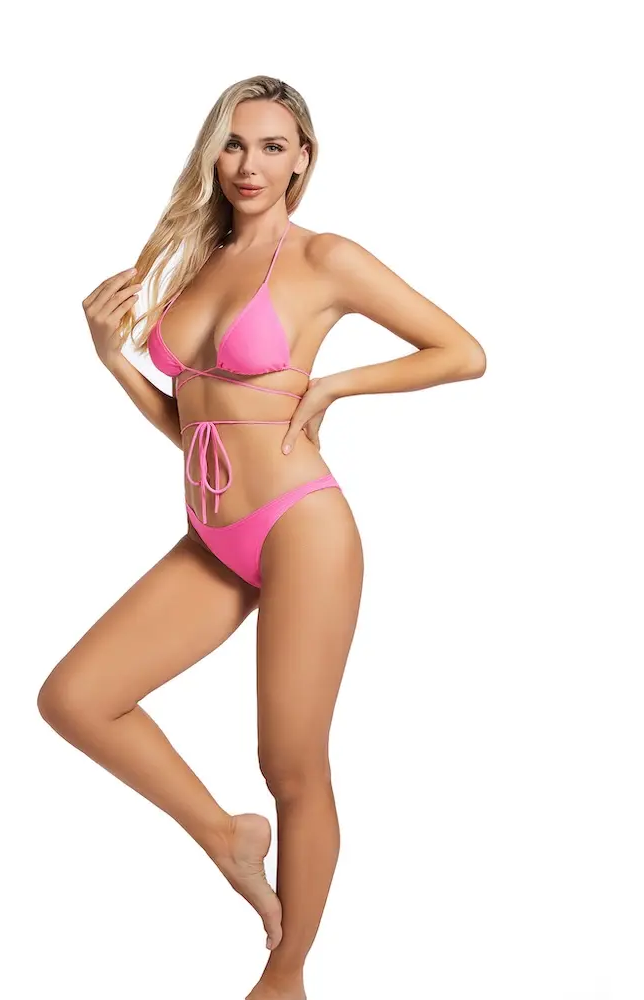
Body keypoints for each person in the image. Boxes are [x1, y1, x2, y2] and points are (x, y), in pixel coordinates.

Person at [40, 75, 486, 1000]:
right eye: (235, 144)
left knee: (289, 762)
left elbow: (462, 351)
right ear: (213, 154)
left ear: (302, 160)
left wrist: (336, 385)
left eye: (273, 146)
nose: (250, 164)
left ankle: (285, 977)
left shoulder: (325, 257)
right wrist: (113, 359)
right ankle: (225, 834)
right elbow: (194, 426)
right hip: (212, 534)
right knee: (77, 698)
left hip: (299, 528)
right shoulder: (194, 264)